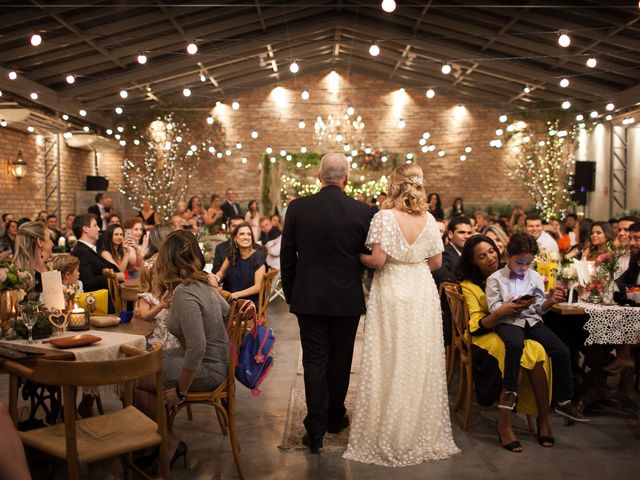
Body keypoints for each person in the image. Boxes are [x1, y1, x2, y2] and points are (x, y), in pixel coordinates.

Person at [344, 163, 459, 466]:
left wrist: (355, 254)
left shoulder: (383, 217)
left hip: (392, 287)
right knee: (418, 358)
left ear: (394, 186)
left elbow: (378, 260)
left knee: (390, 356)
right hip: (420, 289)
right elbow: (436, 263)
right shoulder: (430, 219)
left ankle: (390, 430)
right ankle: (418, 430)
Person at [281, 153, 372, 453]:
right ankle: (335, 417)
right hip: (347, 298)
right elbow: (368, 258)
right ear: (346, 178)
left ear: (319, 176)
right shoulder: (363, 212)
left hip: (309, 297)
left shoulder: (297, 208)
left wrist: (293, 294)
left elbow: (287, 257)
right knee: (341, 360)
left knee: (314, 361)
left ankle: (316, 428)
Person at [136, 230, 230, 467]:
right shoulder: (201, 284)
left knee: (134, 379)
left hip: (207, 367)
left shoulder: (185, 293)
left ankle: (168, 441)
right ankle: (159, 440)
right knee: (143, 371)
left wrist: (180, 392)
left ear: (166, 262)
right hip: (217, 360)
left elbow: (197, 348)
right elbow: (227, 309)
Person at [457, 236, 553, 451]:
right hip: (484, 333)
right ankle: (504, 423)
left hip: (512, 327)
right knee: (515, 351)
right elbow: (475, 326)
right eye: (482, 256)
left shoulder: (511, 271)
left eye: (491, 251)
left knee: (537, 349)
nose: (490, 257)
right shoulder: (469, 286)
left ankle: (544, 420)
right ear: (473, 261)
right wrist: (501, 312)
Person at [485, 233, 588, 423]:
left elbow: (539, 308)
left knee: (561, 350)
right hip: (508, 321)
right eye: (520, 262)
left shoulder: (534, 276)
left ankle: (564, 400)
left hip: (532, 320)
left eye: (528, 263)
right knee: (515, 344)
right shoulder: (495, 279)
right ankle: (509, 390)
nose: (524, 267)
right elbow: (493, 309)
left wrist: (549, 301)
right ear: (508, 256)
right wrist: (508, 307)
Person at [213, 223, 267, 305]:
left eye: (249, 234)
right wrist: (216, 277)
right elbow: (221, 272)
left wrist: (235, 295)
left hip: (249, 304)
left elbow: (258, 287)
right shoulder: (232, 254)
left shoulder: (258, 257)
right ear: (235, 238)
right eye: (242, 234)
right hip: (232, 301)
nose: (246, 237)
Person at [70, 214, 116, 294]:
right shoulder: (81, 251)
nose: (98, 229)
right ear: (85, 229)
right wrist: (112, 276)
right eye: (95, 225)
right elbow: (88, 281)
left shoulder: (87, 249)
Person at [12, 221, 53, 293]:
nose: (52, 243)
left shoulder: (49, 270)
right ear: (40, 242)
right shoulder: (19, 278)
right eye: (49, 238)